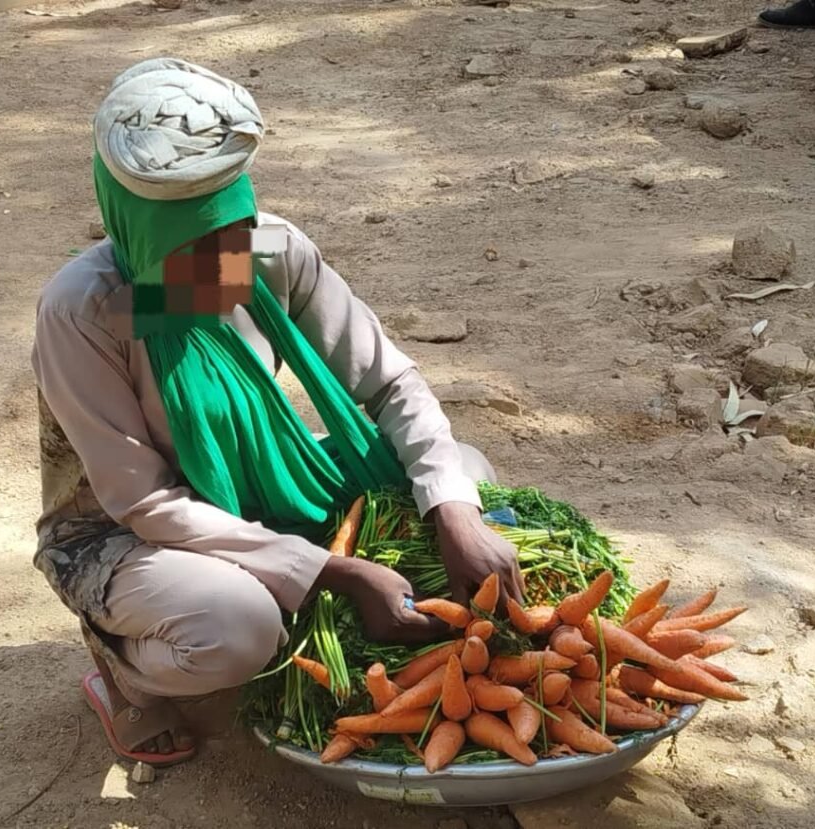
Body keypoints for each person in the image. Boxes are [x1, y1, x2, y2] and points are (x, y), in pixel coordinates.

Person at [30, 57, 524, 767]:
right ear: (136, 227)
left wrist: (453, 510)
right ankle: (125, 670)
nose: (220, 265)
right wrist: (334, 572)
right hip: (126, 534)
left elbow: (389, 383)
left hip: (255, 485)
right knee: (237, 626)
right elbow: (143, 498)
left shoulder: (266, 251)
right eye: (191, 250)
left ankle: (299, 586)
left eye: (230, 233)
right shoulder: (86, 311)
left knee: (464, 476)